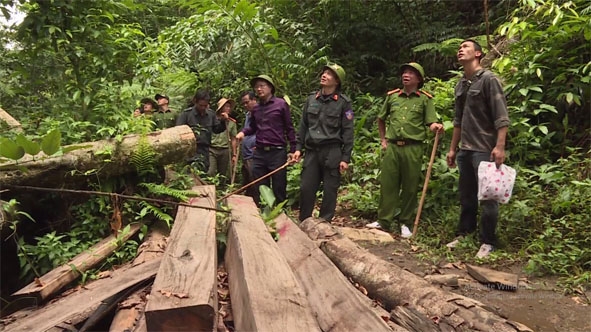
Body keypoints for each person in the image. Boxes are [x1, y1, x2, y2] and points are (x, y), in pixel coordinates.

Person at [445, 39, 510, 258]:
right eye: (459, 48)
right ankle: (465, 233)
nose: (460, 50)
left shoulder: (489, 80)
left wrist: (499, 146)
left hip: (485, 148)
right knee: (467, 195)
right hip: (465, 149)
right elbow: (458, 120)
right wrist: (453, 149)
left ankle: (488, 241)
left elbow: (502, 116)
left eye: (466, 47)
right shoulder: (461, 84)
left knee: (488, 196)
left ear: (479, 54)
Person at [366, 62, 443, 238]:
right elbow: (381, 118)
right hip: (393, 146)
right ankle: (384, 221)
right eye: (404, 72)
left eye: (411, 73)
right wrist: (383, 140)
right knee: (388, 184)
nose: (406, 75)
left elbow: (430, 122)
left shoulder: (425, 99)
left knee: (410, 186)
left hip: (413, 148)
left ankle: (405, 223)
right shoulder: (392, 97)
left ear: (419, 79)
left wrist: (436, 127)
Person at [292, 63, 354, 222]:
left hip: (332, 151)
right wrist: (298, 148)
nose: (324, 75)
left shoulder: (343, 103)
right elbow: (303, 126)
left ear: (337, 81)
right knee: (306, 188)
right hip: (312, 151)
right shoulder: (312, 99)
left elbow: (348, 131)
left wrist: (345, 158)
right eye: (324, 72)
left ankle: (324, 223)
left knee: (330, 190)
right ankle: (304, 221)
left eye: (330, 74)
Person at [236, 75, 296, 205]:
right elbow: (252, 127)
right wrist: (242, 132)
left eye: (262, 86)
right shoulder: (256, 109)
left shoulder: (281, 104)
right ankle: (264, 214)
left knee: (279, 185)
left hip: (277, 152)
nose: (258, 89)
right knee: (260, 186)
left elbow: (289, 128)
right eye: (256, 87)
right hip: (259, 153)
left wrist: (293, 149)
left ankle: (281, 214)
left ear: (270, 87)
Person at [176, 89, 228, 172]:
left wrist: (223, 121)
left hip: (205, 150)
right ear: (195, 101)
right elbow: (178, 132)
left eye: (205, 105)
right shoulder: (186, 114)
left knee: (204, 174)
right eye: (200, 105)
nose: (203, 108)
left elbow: (217, 129)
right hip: (190, 151)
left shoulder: (211, 114)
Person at [208, 98, 237, 187]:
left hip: (225, 150)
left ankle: (221, 192)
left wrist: (234, 154)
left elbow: (233, 138)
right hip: (212, 149)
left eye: (229, 107)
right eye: (226, 106)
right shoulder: (213, 120)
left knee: (223, 174)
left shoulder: (232, 123)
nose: (228, 108)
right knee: (210, 172)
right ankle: (210, 190)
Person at [239, 90, 258, 197]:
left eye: (247, 102)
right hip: (246, 154)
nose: (245, 105)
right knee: (247, 181)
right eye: (243, 103)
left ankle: (257, 204)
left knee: (254, 180)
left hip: (254, 153)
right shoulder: (248, 115)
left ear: (254, 100)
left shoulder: (261, 113)